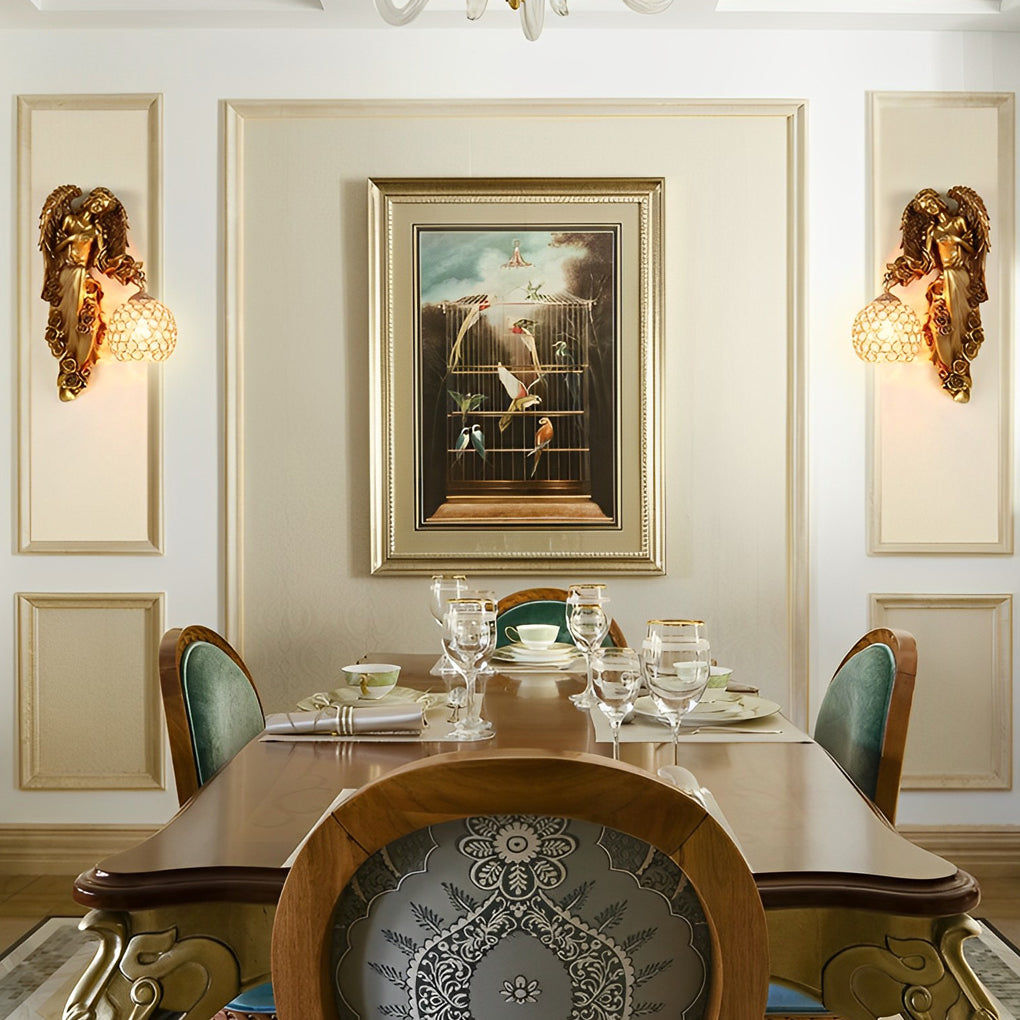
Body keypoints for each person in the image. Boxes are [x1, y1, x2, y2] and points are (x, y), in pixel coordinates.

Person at [884, 186, 990, 403]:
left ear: (937, 201)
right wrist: (900, 270)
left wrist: (957, 241)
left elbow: (973, 250)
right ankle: (951, 368)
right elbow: (926, 261)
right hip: (946, 275)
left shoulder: (959, 222)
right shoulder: (934, 232)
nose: (930, 208)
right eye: (926, 208)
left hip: (961, 275)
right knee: (945, 320)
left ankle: (960, 363)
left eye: (930, 203)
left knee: (961, 319)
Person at [39, 185, 145, 400]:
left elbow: (102, 259)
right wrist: (72, 240)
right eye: (97, 202)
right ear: (91, 200)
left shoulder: (96, 231)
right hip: (66, 273)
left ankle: (78, 362)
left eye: (102, 207)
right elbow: (55, 250)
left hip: (81, 273)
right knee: (67, 316)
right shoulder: (69, 221)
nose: (97, 208)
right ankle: (69, 358)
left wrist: (127, 269)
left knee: (82, 318)